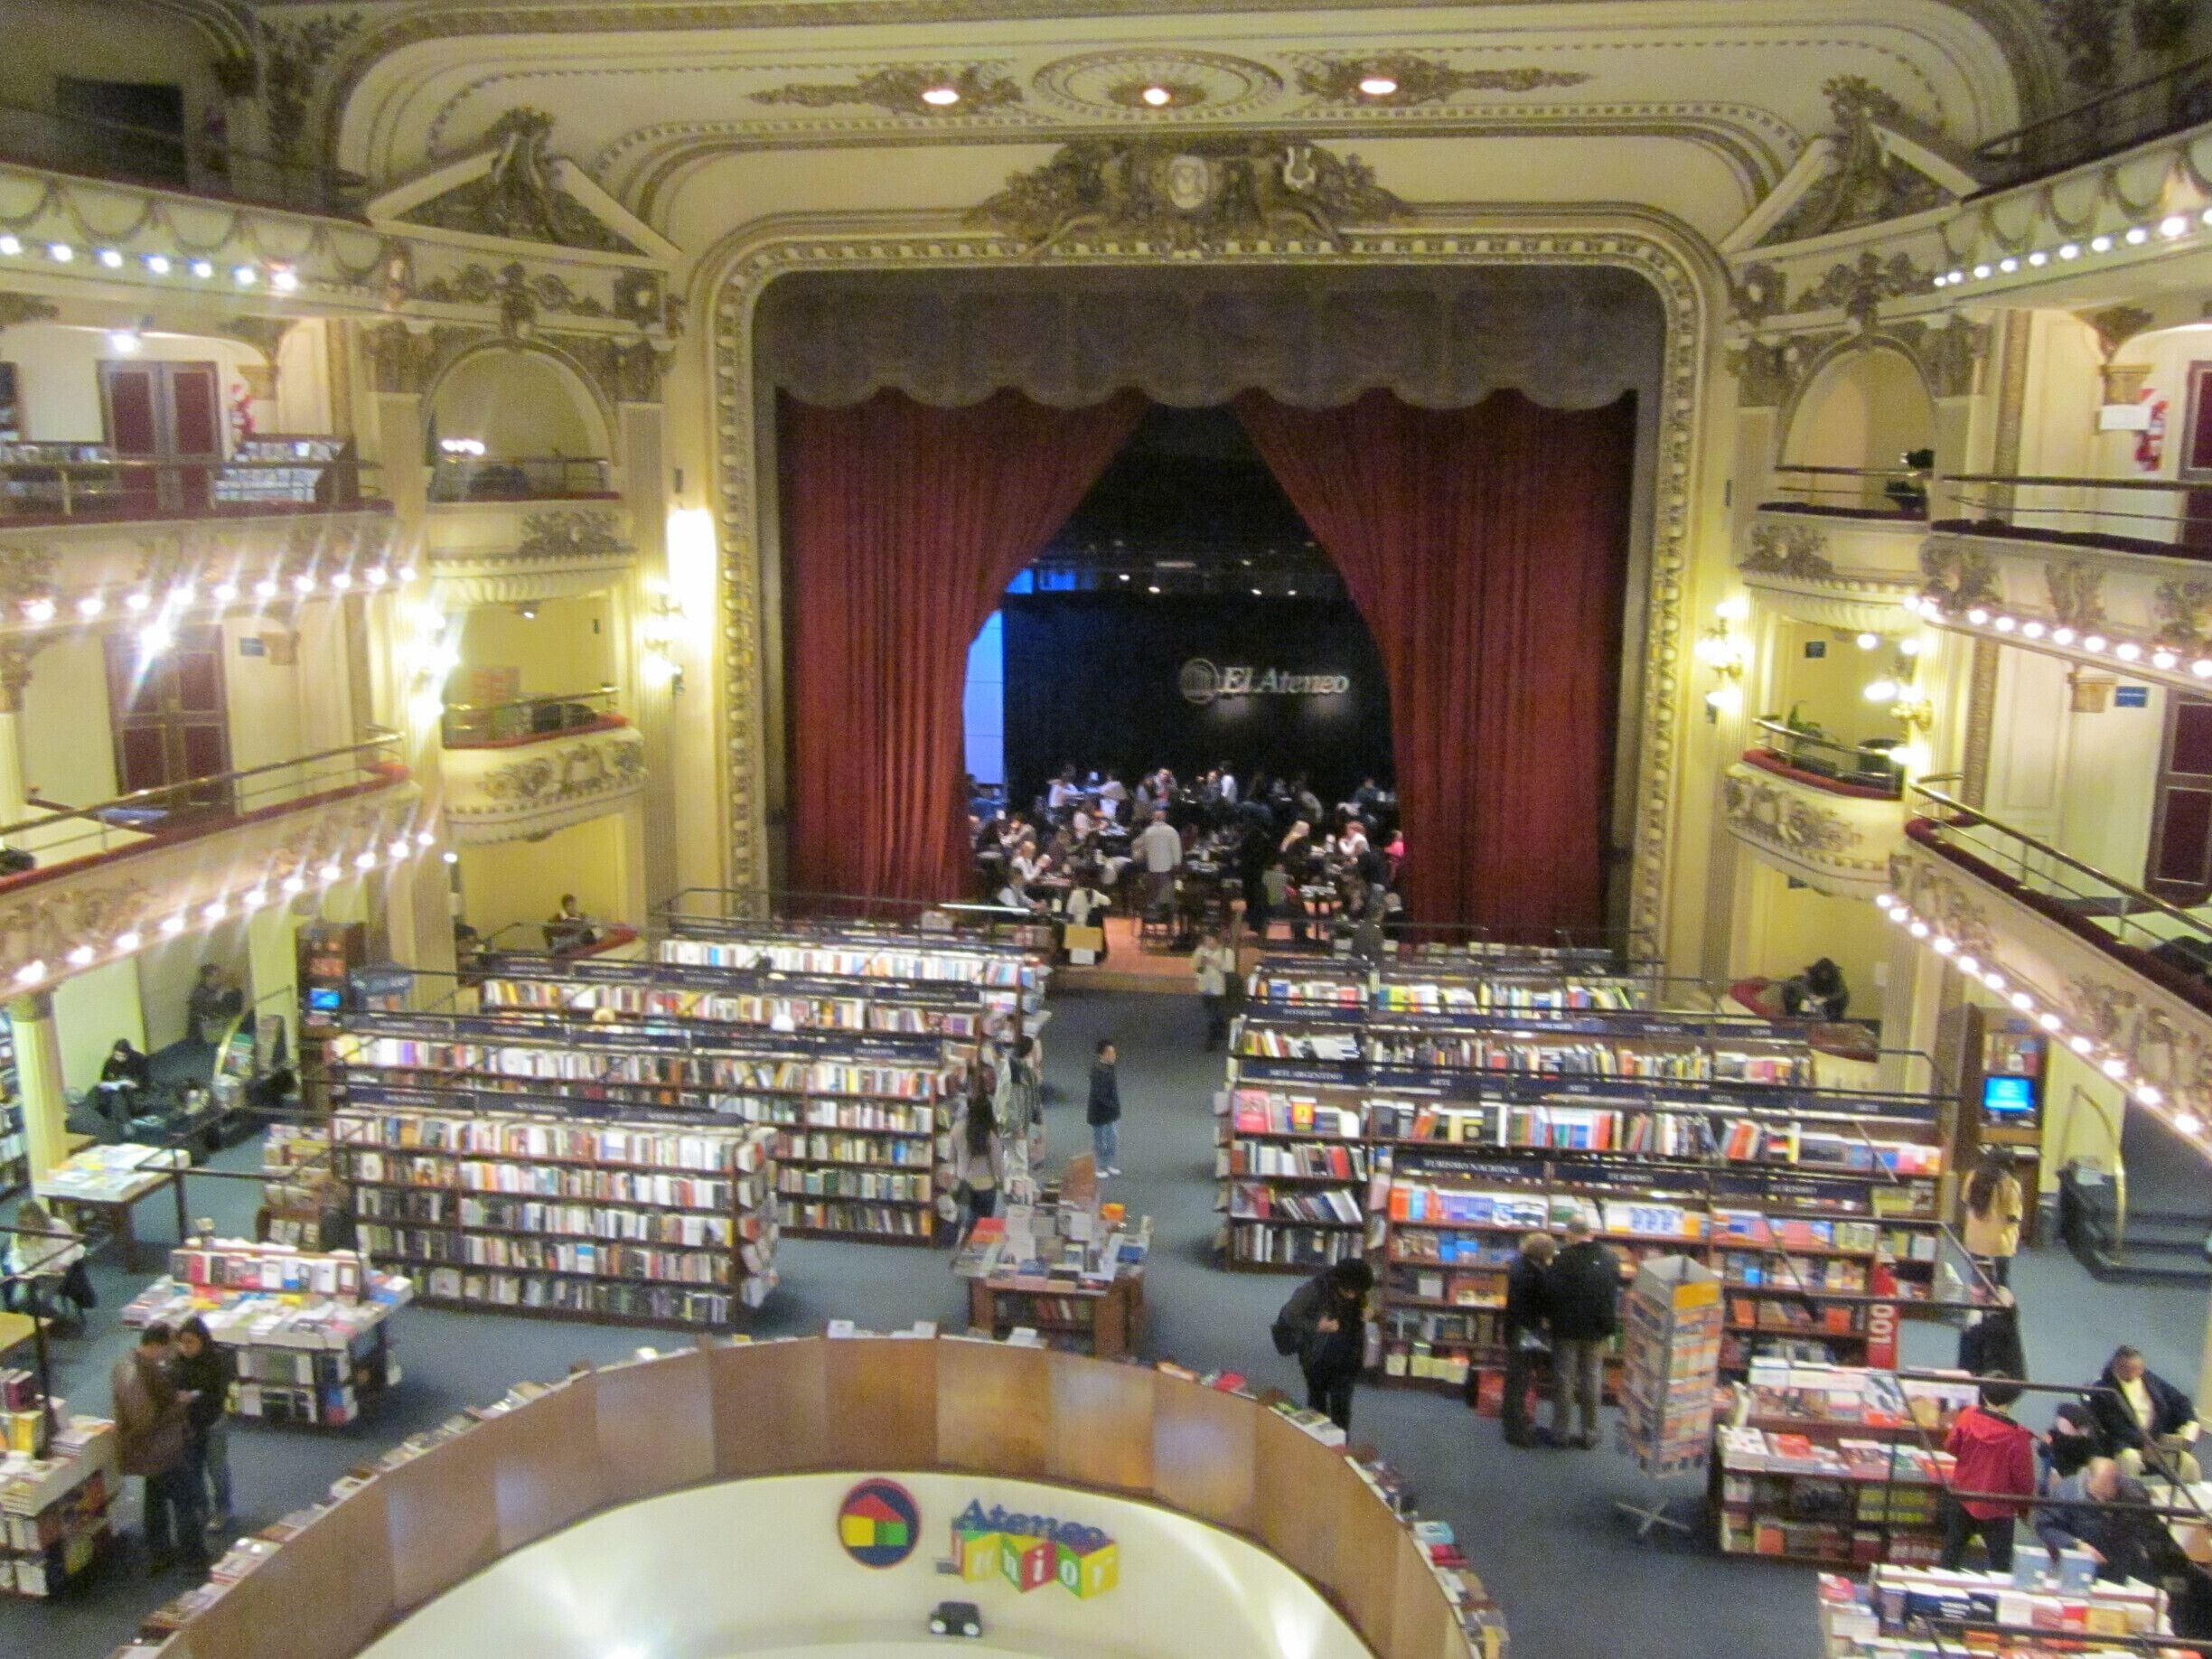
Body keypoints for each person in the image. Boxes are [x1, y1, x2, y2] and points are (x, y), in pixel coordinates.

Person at [111, 1323, 205, 1571]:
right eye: (169, 1347)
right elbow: (145, 1421)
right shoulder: (134, 1373)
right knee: (185, 1501)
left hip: (150, 1450)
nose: (172, 1353)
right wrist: (179, 1405)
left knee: (155, 1500)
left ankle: (160, 1553)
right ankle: (192, 1558)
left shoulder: (131, 1365)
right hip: (158, 1450)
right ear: (156, 1345)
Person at [1940, 1370, 2037, 1570]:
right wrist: (2024, 1507)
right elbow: (2024, 1479)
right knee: (2000, 1564)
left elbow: (1951, 1446)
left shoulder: (1968, 1416)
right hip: (1998, 1506)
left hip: (1963, 1495)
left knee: (1950, 1555)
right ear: (2012, 1400)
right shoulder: (2018, 1437)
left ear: (1984, 1394)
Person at [1272, 1258, 1373, 1434]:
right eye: (1351, 1291)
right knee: (1317, 1409)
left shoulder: (1359, 1291)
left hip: (1348, 1359)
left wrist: (1371, 1311)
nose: (1355, 1296)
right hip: (1318, 1358)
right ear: (1340, 1283)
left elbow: (1370, 1305)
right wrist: (1317, 1326)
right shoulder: (1314, 1289)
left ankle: (1340, 1448)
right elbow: (1289, 1315)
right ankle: (1317, 1446)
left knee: (1342, 1409)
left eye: (1358, 1292)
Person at [1544, 1217, 1620, 1448]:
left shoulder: (1562, 1258)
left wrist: (1550, 1319)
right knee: (1592, 1380)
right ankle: (1590, 1434)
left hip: (1566, 1328)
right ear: (1590, 1232)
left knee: (1564, 1380)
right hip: (1597, 1329)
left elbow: (1552, 1292)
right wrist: (1608, 1326)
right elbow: (1611, 1294)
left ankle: (1560, 1433)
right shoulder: (1610, 1257)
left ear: (1571, 1234)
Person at [2088, 1345, 2204, 1483]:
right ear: (2117, 1367)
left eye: (2140, 1368)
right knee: (2130, 1459)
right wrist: (2145, 1443)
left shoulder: (2149, 1379)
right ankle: (2130, 1498)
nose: (2138, 1373)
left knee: (2189, 1464)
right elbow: (2114, 1426)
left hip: (2155, 1441)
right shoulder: (2103, 1390)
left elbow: (2178, 1399)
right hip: (2126, 1444)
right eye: (2132, 1369)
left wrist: (2191, 1421)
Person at [174, 1315, 233, 1531]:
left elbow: (219, 1392)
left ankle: (222, 1509)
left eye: (191, 1342)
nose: (186, 1347)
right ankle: (201, 1509)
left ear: (202, 1340)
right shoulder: (178, 1362)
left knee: (217, 1470)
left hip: (212, 1422)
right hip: (189, 1426)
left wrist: (194, 1395)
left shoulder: (217, 1360)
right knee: (193, 1471)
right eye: (183, 1342)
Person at [1498, 1231, 1557, 1448]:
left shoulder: (1518, 1264)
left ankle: (1512, 1420)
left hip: (1517, 1327)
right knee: (1520, 1378)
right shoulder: (1534, 1274)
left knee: (1516, 1377)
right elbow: (1543, 1303)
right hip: (1527, 1330)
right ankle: (1516, 1429)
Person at [5, 1198, 82, 1319]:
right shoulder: (18, 1233)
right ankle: (51, 1320)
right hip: (31, 1274)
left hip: (54, 1273)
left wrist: (61, 1263)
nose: (32, 1225)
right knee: (19, 1300)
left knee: (41, 1299)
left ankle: (53, 1321)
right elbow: (15, 1256)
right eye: (27, 1222)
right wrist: (22, 1272)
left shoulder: (58, 1225)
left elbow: (72, 1247)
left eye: (34, 1221)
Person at [1962, 1148, 2026, 1289]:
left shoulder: (1973, 1176)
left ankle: (1977, 1306)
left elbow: (1965, 1199)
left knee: (1978, 1275)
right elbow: (2013, 1215)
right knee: (2002, 1278)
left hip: (1976, 1237)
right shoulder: (2010, 1184)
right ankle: (2001, 1306)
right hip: (2000, 1240)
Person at [955, 1084, 1004, 1236]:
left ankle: (963, 1246)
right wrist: (1003, 1181)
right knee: (984, 1227)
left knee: (967, 1222)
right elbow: (997, 1165)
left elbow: (950, 1157)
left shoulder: (957, 1129)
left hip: (965, 1183)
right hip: (986, 1185)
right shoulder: (990, 1135)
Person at [1193, 931, 1237, 1052]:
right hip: (1204, 986)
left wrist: (1214, 962)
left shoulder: (1226, 952)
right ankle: (1220, 1029)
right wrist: (1199, 965)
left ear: (1217, 940)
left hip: (1218, 988)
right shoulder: (1200, 951)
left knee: (1213, 1014)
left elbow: (1229, 969)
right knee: (1211, 1012)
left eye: (1211, 940)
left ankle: (1210, 1040)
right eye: (1206, 940)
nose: (1208, 943)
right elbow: (1195, 967)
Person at [1133, 810, 1183, 913]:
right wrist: (1177, 865)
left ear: (1154, 818)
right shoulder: (1172, 831)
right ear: (1165, 818)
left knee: (1153, 894)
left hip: (1152, 869)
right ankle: (1166, 914)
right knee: (1166, 896)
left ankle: (1153, 913)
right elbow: (1176, 851)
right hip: (1167, 870)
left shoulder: (1148, 831)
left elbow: (1138, 846)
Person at [1086, 1039, 1122, 1177]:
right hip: (1100, 1113)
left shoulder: (1109, 1068)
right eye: (1110, 1053)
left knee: (1112, 1138)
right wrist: (1112, 1105)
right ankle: (1100, 1166)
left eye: (1114, 1052)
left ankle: (1109, 1164)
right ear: (1102, 1055)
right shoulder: (1098, 1071)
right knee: (1100, 1141)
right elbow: (1099, 1094)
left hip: (1110, 1112)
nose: (1114, 1055)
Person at [1781, 957, 1850, 1021]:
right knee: (1805, 1005)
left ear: (1831, 972)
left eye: (1827, 973)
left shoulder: (1837, 978)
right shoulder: (1811, 976)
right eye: (1822, 972)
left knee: (1838, 1004)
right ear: (1817, 971)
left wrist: (1825, 999)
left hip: (1830, 1001)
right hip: (1812, 999)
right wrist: (1812, 997)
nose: (1824, 975)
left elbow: (1841, 993)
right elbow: (1805, 988)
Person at [186, 963, 238, 1046]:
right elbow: (207, 1011)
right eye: (217, 975)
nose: (220, 978)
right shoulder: (199, 992)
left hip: (214, 1023)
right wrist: (219, 996)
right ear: (208, 977)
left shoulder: (216, 988)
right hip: (202, 1029)